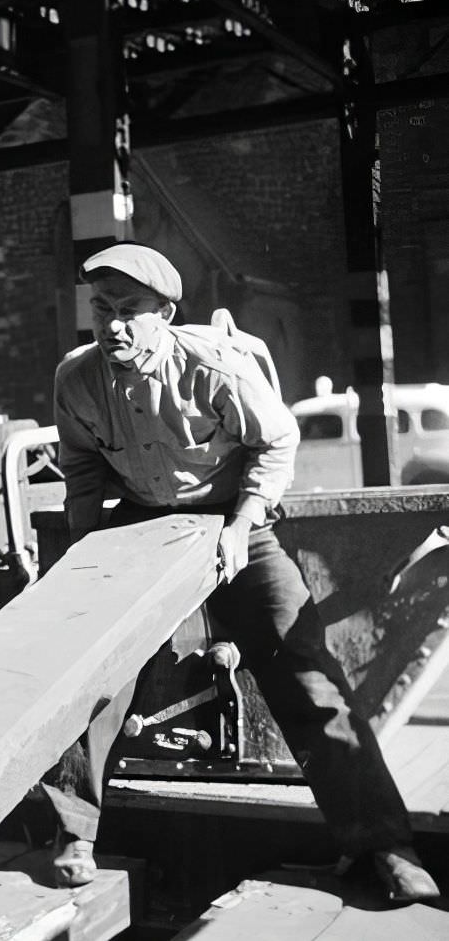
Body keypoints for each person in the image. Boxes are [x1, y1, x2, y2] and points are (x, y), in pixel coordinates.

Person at [47, 242, 440, 904]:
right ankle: (75, 830)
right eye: (101, 309)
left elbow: (276, 441)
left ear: (164, 313)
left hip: (236, 520)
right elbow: (83, 469)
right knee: (95, 669)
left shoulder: (213, 365)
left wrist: (240, 524)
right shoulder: (76, 377)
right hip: (144, 525)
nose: (112, 325)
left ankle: (384, 844)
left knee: (302, 663)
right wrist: (87, 560)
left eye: (129, 311)